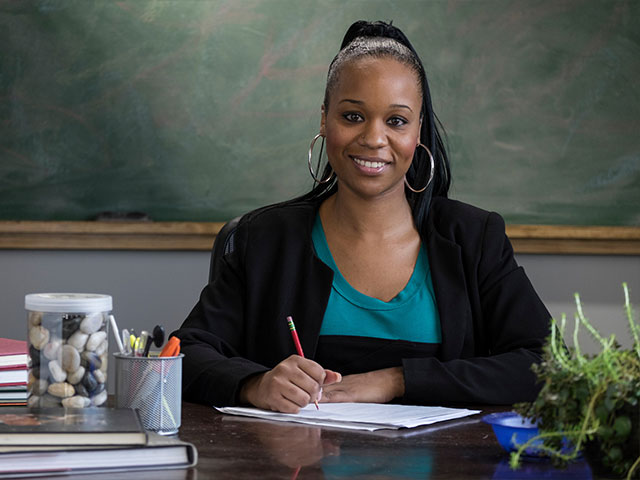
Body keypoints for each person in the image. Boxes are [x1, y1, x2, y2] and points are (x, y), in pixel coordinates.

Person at [173, 20, 551, 413]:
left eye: (396, 121)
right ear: (324, 119)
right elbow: (186, 353)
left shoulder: (474, 238)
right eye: (353, 116)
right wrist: (254, 384)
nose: (373, 138)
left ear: (418, 130)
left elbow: (543, 363)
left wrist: (397, 380)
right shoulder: (264, 239)